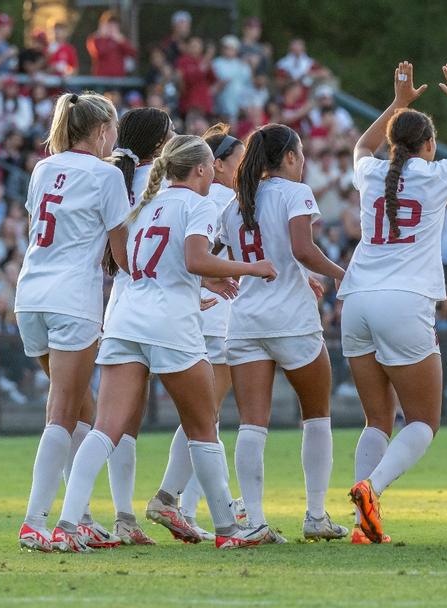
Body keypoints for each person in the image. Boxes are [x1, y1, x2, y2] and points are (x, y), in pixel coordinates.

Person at [50, 135, 279, 552]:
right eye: (211, 165)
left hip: (126, 322)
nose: (214, 172)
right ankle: (229, 530)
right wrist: (252, 267)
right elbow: (194, 258)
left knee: (105, 429)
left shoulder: (144, 204)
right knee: (203, 428)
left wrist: (205, 277)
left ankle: (66, 524)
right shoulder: (200, 203)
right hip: (171, 327)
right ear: (199, 170)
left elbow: (158, 263)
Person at [344, 62, 447, 544]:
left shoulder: (373, 171)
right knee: (423, 421)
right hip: (405, 301)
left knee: (377, 419)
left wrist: (397, 104)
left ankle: (362, 525)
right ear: (429, 145)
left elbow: (360, 146)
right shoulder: (436, 176)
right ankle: (370, 490)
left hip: (356, 298)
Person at [219, 122, 349, 543]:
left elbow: (214, 257)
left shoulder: (234, 203)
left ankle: (254, 522)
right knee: (316, 415)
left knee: (252, 425)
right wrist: (341, 275)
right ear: (290, 157)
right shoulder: (296, 192)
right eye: (301, 153)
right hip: (291, 320)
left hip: (245, 320)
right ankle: (315, 515)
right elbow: (301, 248)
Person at [14, 92, 130, 552]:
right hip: (72, 299)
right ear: (102, 130)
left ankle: (79, 517)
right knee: (62, 412)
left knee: (82, 405)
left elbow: (38, 231)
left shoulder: (44, 169)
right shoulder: (105, 175)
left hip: (30, 294)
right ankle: (35, 521)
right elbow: (121, 254)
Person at [167, 123, 248, 541]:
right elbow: (206, 256)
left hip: (202, 310)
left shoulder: (194, 198)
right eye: (238, 161)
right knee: (205, 418)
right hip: (219, 316)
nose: (244, 167)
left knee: (205, 416)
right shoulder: (222, 199)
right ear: (215, 166)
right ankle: (177, 500)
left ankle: (189, 504)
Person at [100, 107, 175, 546]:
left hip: (121, 300)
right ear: (160, 141)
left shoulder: (114, 176)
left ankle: (122, 516)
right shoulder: (162, 180)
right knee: (204, 413)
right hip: (159, 297)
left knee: (122, 418)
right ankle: (229, 514)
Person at [86, 11, 135, 78]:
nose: (112, 28)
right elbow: (98, 53)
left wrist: (121, 41)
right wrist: (103, 37)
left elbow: (132, 53)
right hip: (101, 79)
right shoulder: (95, 38)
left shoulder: (121, 39)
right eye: (109, 25)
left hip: (119, 79)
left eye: (114, 25)